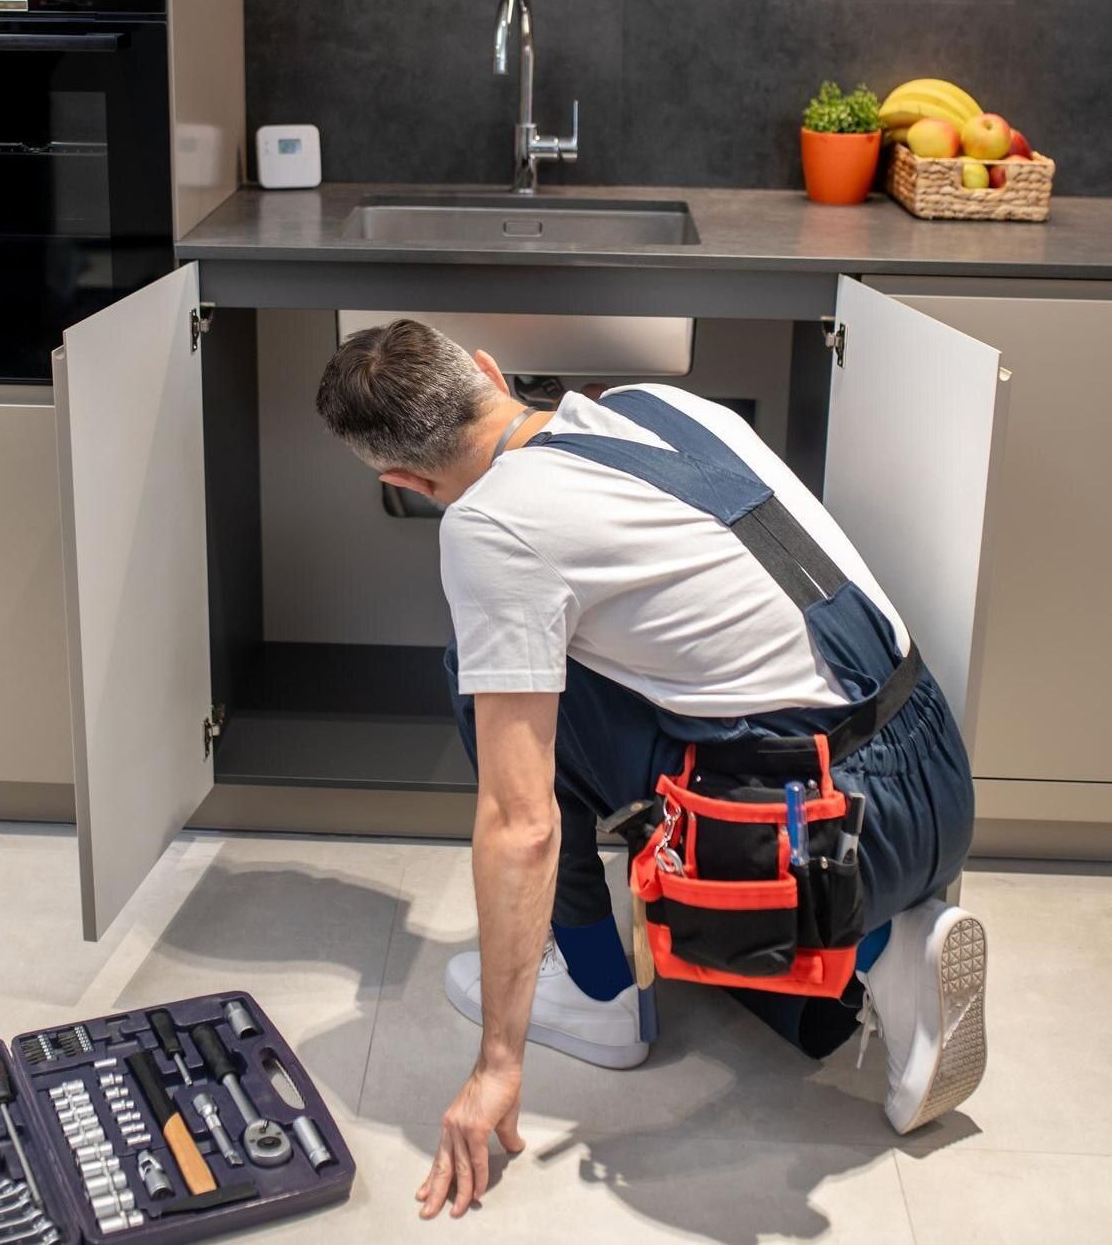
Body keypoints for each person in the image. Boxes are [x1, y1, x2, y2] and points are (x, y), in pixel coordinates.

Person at [315, 319, 988, 1221]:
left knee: (479, 678)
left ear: (404, 482)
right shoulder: (652, 405)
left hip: (831, 824)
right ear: (486, 370)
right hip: (935, 768)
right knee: (570, 664)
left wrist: (496, 1064)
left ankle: (600, 987)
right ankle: (885, 943)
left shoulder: (488, 525)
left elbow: (522, 824)